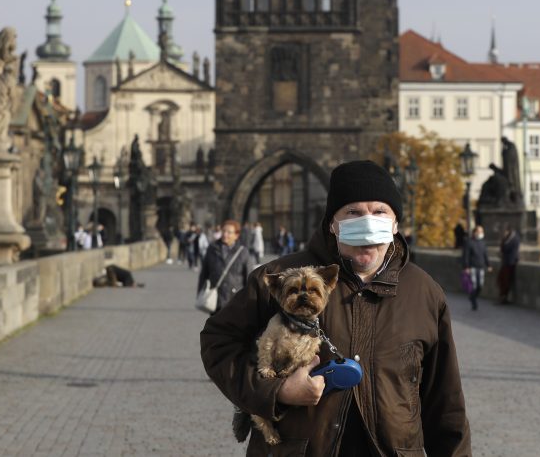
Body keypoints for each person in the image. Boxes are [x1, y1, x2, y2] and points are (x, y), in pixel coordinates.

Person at [200, 160, 471, 455]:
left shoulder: (424, 293)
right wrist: (278, 391)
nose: (367, 221)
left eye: (380, 211)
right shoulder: (279, 279)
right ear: (332, 222)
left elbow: (446, 405)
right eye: (353, 212)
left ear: (395, 224)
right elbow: (218, 341)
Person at [197, 220, 254, 314]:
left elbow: (249, 278)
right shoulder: (212, 249)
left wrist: (249, 300)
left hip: (236, 300)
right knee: (215, 327)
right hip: (216, 299)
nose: (225, 234)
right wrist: (201, 293)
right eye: (223, 231)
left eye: (229, 232)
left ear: (236, 235)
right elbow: (204, 273)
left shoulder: (243, 252)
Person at [462, 225, 492, 311]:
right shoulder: (469, 242)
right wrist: (466, 267)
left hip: (481, 266)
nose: (481, 233)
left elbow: (485, 255)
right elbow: (466, 256)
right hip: (472, 267)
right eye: (479, 231)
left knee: (480, 285)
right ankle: (474, 302)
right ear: (475, 232)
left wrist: (488, 265)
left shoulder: (482, 242)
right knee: (474, 285)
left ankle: (472, 297)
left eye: (481, 231)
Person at [498, 224, 520, 304]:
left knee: (506, 281)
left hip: (510, 262)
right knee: (502, 280)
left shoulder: (514, 239)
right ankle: (503, 297)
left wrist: (503, 241)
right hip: (506, 262)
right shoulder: (508, 239)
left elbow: (505, 248)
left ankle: (504, 297)